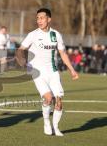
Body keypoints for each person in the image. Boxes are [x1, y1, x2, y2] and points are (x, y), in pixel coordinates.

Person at [16, 8, 79, 136]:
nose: (39, 20)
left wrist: (72, 69)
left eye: (42, 18)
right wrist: (22, 62)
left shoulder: (56, 35)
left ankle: (56, 127)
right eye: (37, 18)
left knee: (59, 101)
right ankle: (46, 121)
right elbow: (20, 49)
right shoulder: (33, 34)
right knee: (48, 98)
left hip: (53, 71)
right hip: (37, 72)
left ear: (48, 19)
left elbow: (62, 53)